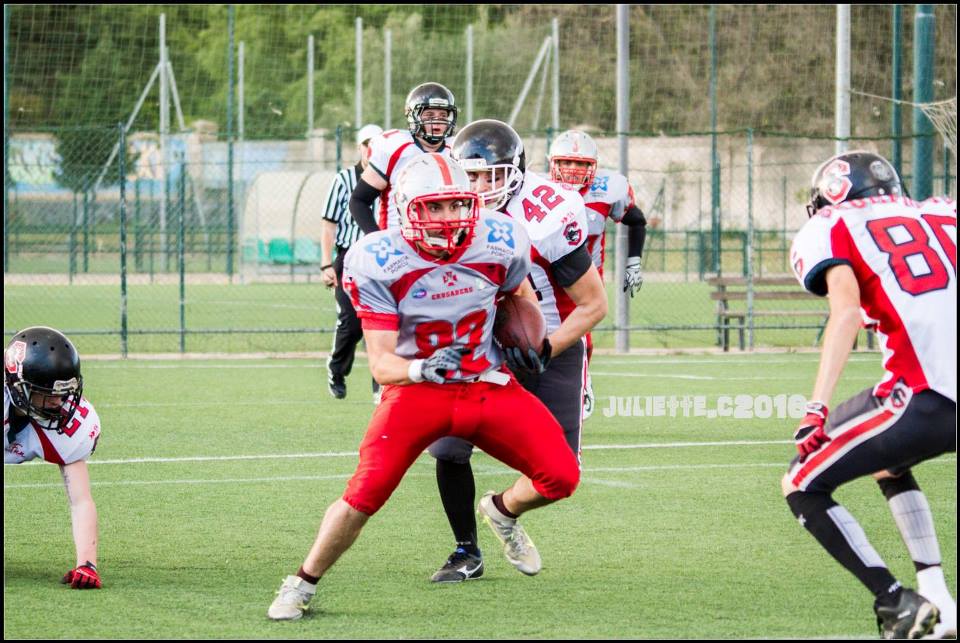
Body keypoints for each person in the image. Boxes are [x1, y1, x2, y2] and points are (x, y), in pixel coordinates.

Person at [267, 153, 580, 621]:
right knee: (363, 495)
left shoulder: (500, 238)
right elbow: (382, 362)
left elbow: (518, 294)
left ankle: (501, 510)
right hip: (417, 390)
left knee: (562, 476)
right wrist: (421, 370)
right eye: (436, 207)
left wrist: (529, 333)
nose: (450, 218)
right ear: (408, 208)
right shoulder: (378, 258)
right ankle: (301, 583)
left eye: (457, 205)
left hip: (486, 385)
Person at [783, 151, 956, 640]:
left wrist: (815, 408)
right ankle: (938, 594)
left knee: (801, 482)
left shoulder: (832, 225)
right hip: (936, 393)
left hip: (927, 396)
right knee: (890, 463)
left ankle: (895, 602)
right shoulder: (943, 210)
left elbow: (846, 314)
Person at [426, 119, 607, 583]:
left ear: (518, 173)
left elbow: (594, 304)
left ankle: (503, 511)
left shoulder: (544, 214)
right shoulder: (446, 209)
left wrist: (547, 344)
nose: (483, 187)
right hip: (481, 338)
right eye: (474, 176)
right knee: (448, 447)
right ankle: (466, 549)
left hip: (550, 337)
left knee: (561, 477)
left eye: (494, 176)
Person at [548, 129, 648, 419]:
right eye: (567, 163)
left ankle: (580, 381)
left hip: (585, 275)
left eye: (582, 164)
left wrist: (633, 264)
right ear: (552, 163)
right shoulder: (538, 191)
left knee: (581, 336)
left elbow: (636, 220)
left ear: (594, 167)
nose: (574, 171)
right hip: (545, 273)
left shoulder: (608, 189)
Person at [4, 326, 103, 590]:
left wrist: (87, 564)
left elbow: (81, 500)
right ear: (17, 387)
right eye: (49, 394)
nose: (59, 403)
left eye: (63, 393)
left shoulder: (65, 419)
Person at [320, 123, 383, 401]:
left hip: (383, 257)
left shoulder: (392, 179)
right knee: (351, 323)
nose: (372, 149)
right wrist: (326, 264)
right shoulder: (344, 179)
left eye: (377, 144)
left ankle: (381, 382)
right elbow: (328, 225)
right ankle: (337, 369)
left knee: (385, 320)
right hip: (350, 257)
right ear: (360, 147)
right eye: (367, 143)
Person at [349, 82, 457, 234]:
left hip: (450, 243)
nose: (437, 120)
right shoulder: (395, 149)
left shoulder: (457, 150)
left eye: (443, 115)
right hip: (400, 245)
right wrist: (376, 238)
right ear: (414, 116)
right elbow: (358, 201)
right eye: (429, 115)